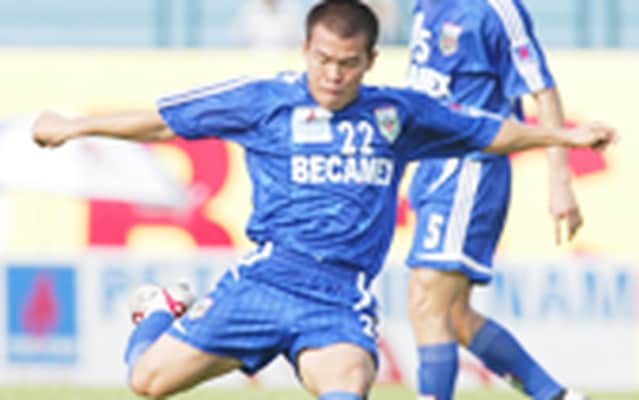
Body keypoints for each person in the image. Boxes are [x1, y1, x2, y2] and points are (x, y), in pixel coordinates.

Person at [31, 1, 613, 399]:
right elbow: (163, 121)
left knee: (348, 385)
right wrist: (76, 127)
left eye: (348, 64)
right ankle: (159, 309)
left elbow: (487, 131)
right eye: (323, 59)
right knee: (146, 383)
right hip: (263, 283)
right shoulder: (263, 100)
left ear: (370, 61)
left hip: (336, 300)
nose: (333, 75)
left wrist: (563, 138)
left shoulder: (397, 113)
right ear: (306, 48)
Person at [404, 1, 588, 399]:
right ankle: (555, 395)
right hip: (431, 168)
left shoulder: (497, 10)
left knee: (426, 299)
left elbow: (543, 91)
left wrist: (559, 180)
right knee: (454, 315)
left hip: (469, 169)